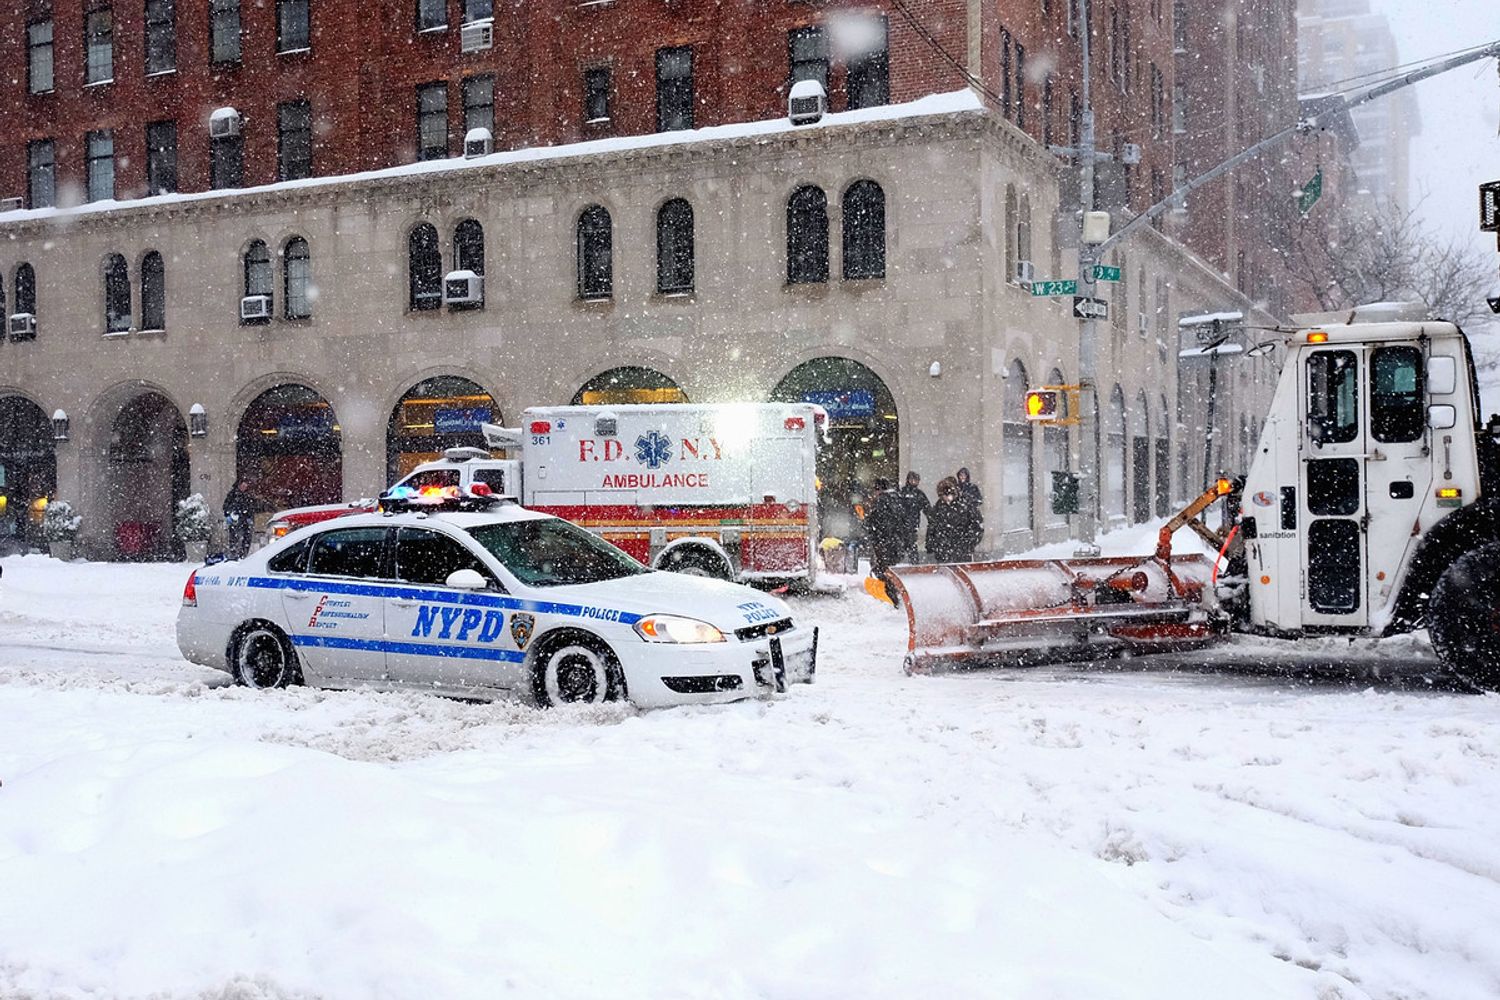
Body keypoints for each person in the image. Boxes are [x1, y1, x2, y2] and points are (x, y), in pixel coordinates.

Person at [862, 478, 907, 603]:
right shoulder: (897, 500)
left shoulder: (881, 502)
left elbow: (875, 522)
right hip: (895, 541)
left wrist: (867, 524)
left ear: (878, 489)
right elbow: (904, 521)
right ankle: (895, 593)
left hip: (883, 541)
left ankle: (891, 596)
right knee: (889, 568)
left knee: (881, 568)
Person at [927, 476, 983, 564]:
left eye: (948, 495)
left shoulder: (965, 504)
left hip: (962, 551)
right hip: (943, 551)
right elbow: (932, 526)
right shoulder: (939, 507)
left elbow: (977, 526)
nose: (946, 498)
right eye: (943, 496)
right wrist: (932, 544)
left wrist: (968, 544)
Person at [895, 471, 931, 562]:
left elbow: (927, 508)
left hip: (912, 525)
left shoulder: (919, 494)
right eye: (912, 479)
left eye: (916, 480)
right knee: (901, 547)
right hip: (901, 525)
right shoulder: (901, 492)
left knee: (912, 546)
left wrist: (932, 520)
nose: (914, 481)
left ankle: (913, 564)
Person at [223, 480, 259, 559]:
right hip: (235, 520)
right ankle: (234, 554)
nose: (244, 488)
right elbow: (226, 506)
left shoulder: (248, 496)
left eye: (245, 486)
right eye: (243, 486)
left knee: (246, 539)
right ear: (239, 486)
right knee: (234, 538)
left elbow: (252, 507)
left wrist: (249, 516)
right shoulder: (232, 494)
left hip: (245, 520)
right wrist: (229, 514)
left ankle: (243, 555)